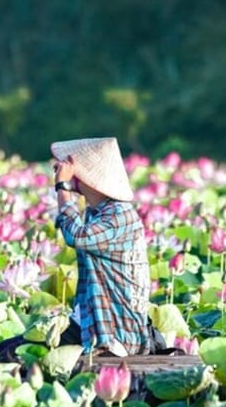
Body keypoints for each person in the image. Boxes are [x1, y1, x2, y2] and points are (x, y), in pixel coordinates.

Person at [50, 137, 151, 357]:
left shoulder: (119, 215)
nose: (67, 170)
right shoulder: (97, 211)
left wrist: (63, 187)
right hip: (92, 322)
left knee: (15, 356)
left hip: (116, 333)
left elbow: (76, 236)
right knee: (9, 349)